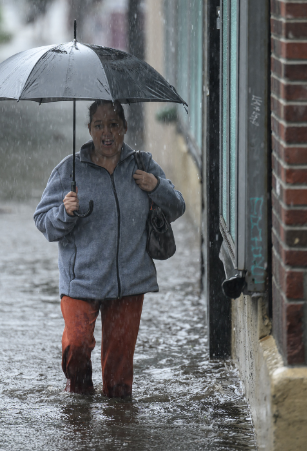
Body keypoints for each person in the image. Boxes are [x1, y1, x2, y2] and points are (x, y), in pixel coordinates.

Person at [34, 100, 185, 398]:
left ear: (125, 128)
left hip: (129, 282)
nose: (107, 133)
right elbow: (43, 221)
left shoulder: (142, 164)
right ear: (89, 129)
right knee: (77, 346)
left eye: (114, 125)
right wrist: (65, 212)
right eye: (99, 125)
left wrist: (156, 185)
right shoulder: (70, 170)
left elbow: (177, 206)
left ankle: (118, 432)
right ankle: (79, 402)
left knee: (118, 383)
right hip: (81, 281)